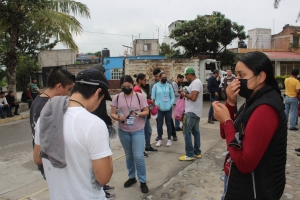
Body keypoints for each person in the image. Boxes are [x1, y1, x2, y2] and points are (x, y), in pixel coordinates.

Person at [212, 51, 287, 200]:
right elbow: (227, 135)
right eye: (236, 76)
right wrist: (230, 103)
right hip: (240, 184)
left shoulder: (265, 108)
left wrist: (226, 121)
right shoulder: (253, 99)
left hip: (254, 190)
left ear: (261, 77)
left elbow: (245, 163)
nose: (237, 81)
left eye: (242, 76)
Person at [33, 68, 113, 199]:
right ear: (97, 92)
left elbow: (37, 158)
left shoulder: (46, 117)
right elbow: (103, 178)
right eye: (101, 99)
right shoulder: (94, 124)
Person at [30, 67, 75, 179]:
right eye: (69, 89)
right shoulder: (48, 107)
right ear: (59, 86)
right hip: (50, 163)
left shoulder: (37, 101)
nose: (68, 94)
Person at [110, 75, 149, 193]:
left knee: (138, 156)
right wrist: (118, 117)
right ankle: (132, 177)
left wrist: (138, 114)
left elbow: (146, 111)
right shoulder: (116, 98)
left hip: (138, 130)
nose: (126, 88)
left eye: (129, 86)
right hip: (124, 131)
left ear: (133, 85)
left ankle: (143, 180)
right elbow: (112, 113)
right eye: (124, 87)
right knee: (129, 155)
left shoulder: (139, 96)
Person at [90, 64, 115, 200]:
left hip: (99, 124)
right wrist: (107, 119)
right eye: (104, 73)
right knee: (100, 160)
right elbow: (99, 111)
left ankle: (103, 187)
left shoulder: (96, 88)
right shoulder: (97, 90)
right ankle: (102, 189)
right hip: (97, 127)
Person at [178, 67, 203, 161]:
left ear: (189, 74)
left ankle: (189, 154)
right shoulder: (195, 82)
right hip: (195, 112)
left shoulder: (196, 82)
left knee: (186, 132)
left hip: (192, 112)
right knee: (196, 132)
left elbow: (193, 98)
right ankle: (197, 152)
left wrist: (184, 94)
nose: (185, 77)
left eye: (185, 75)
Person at [149, 68, 178, 141]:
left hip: (167, 106)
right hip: (159, 107)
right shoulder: (153, 84)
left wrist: (170, 103)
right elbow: (151, 95)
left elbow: (172, 93)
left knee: (169, 122)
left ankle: (173, 134)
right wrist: (155, 103)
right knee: (159, 122)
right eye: (155, 76)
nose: (157, 77)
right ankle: (159, 136)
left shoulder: (168, 82)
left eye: (158, 75)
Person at [133, 73, 158, 154]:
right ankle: (142, 149)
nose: (145, 81)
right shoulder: (137, 89)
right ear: (139, 80)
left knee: (148, 131)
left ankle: (147, 146)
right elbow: (141, 101)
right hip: (141, 113)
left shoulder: (140, 88)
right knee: (142, 132)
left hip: (145, 112)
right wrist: (150, 101)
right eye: (144, 80)